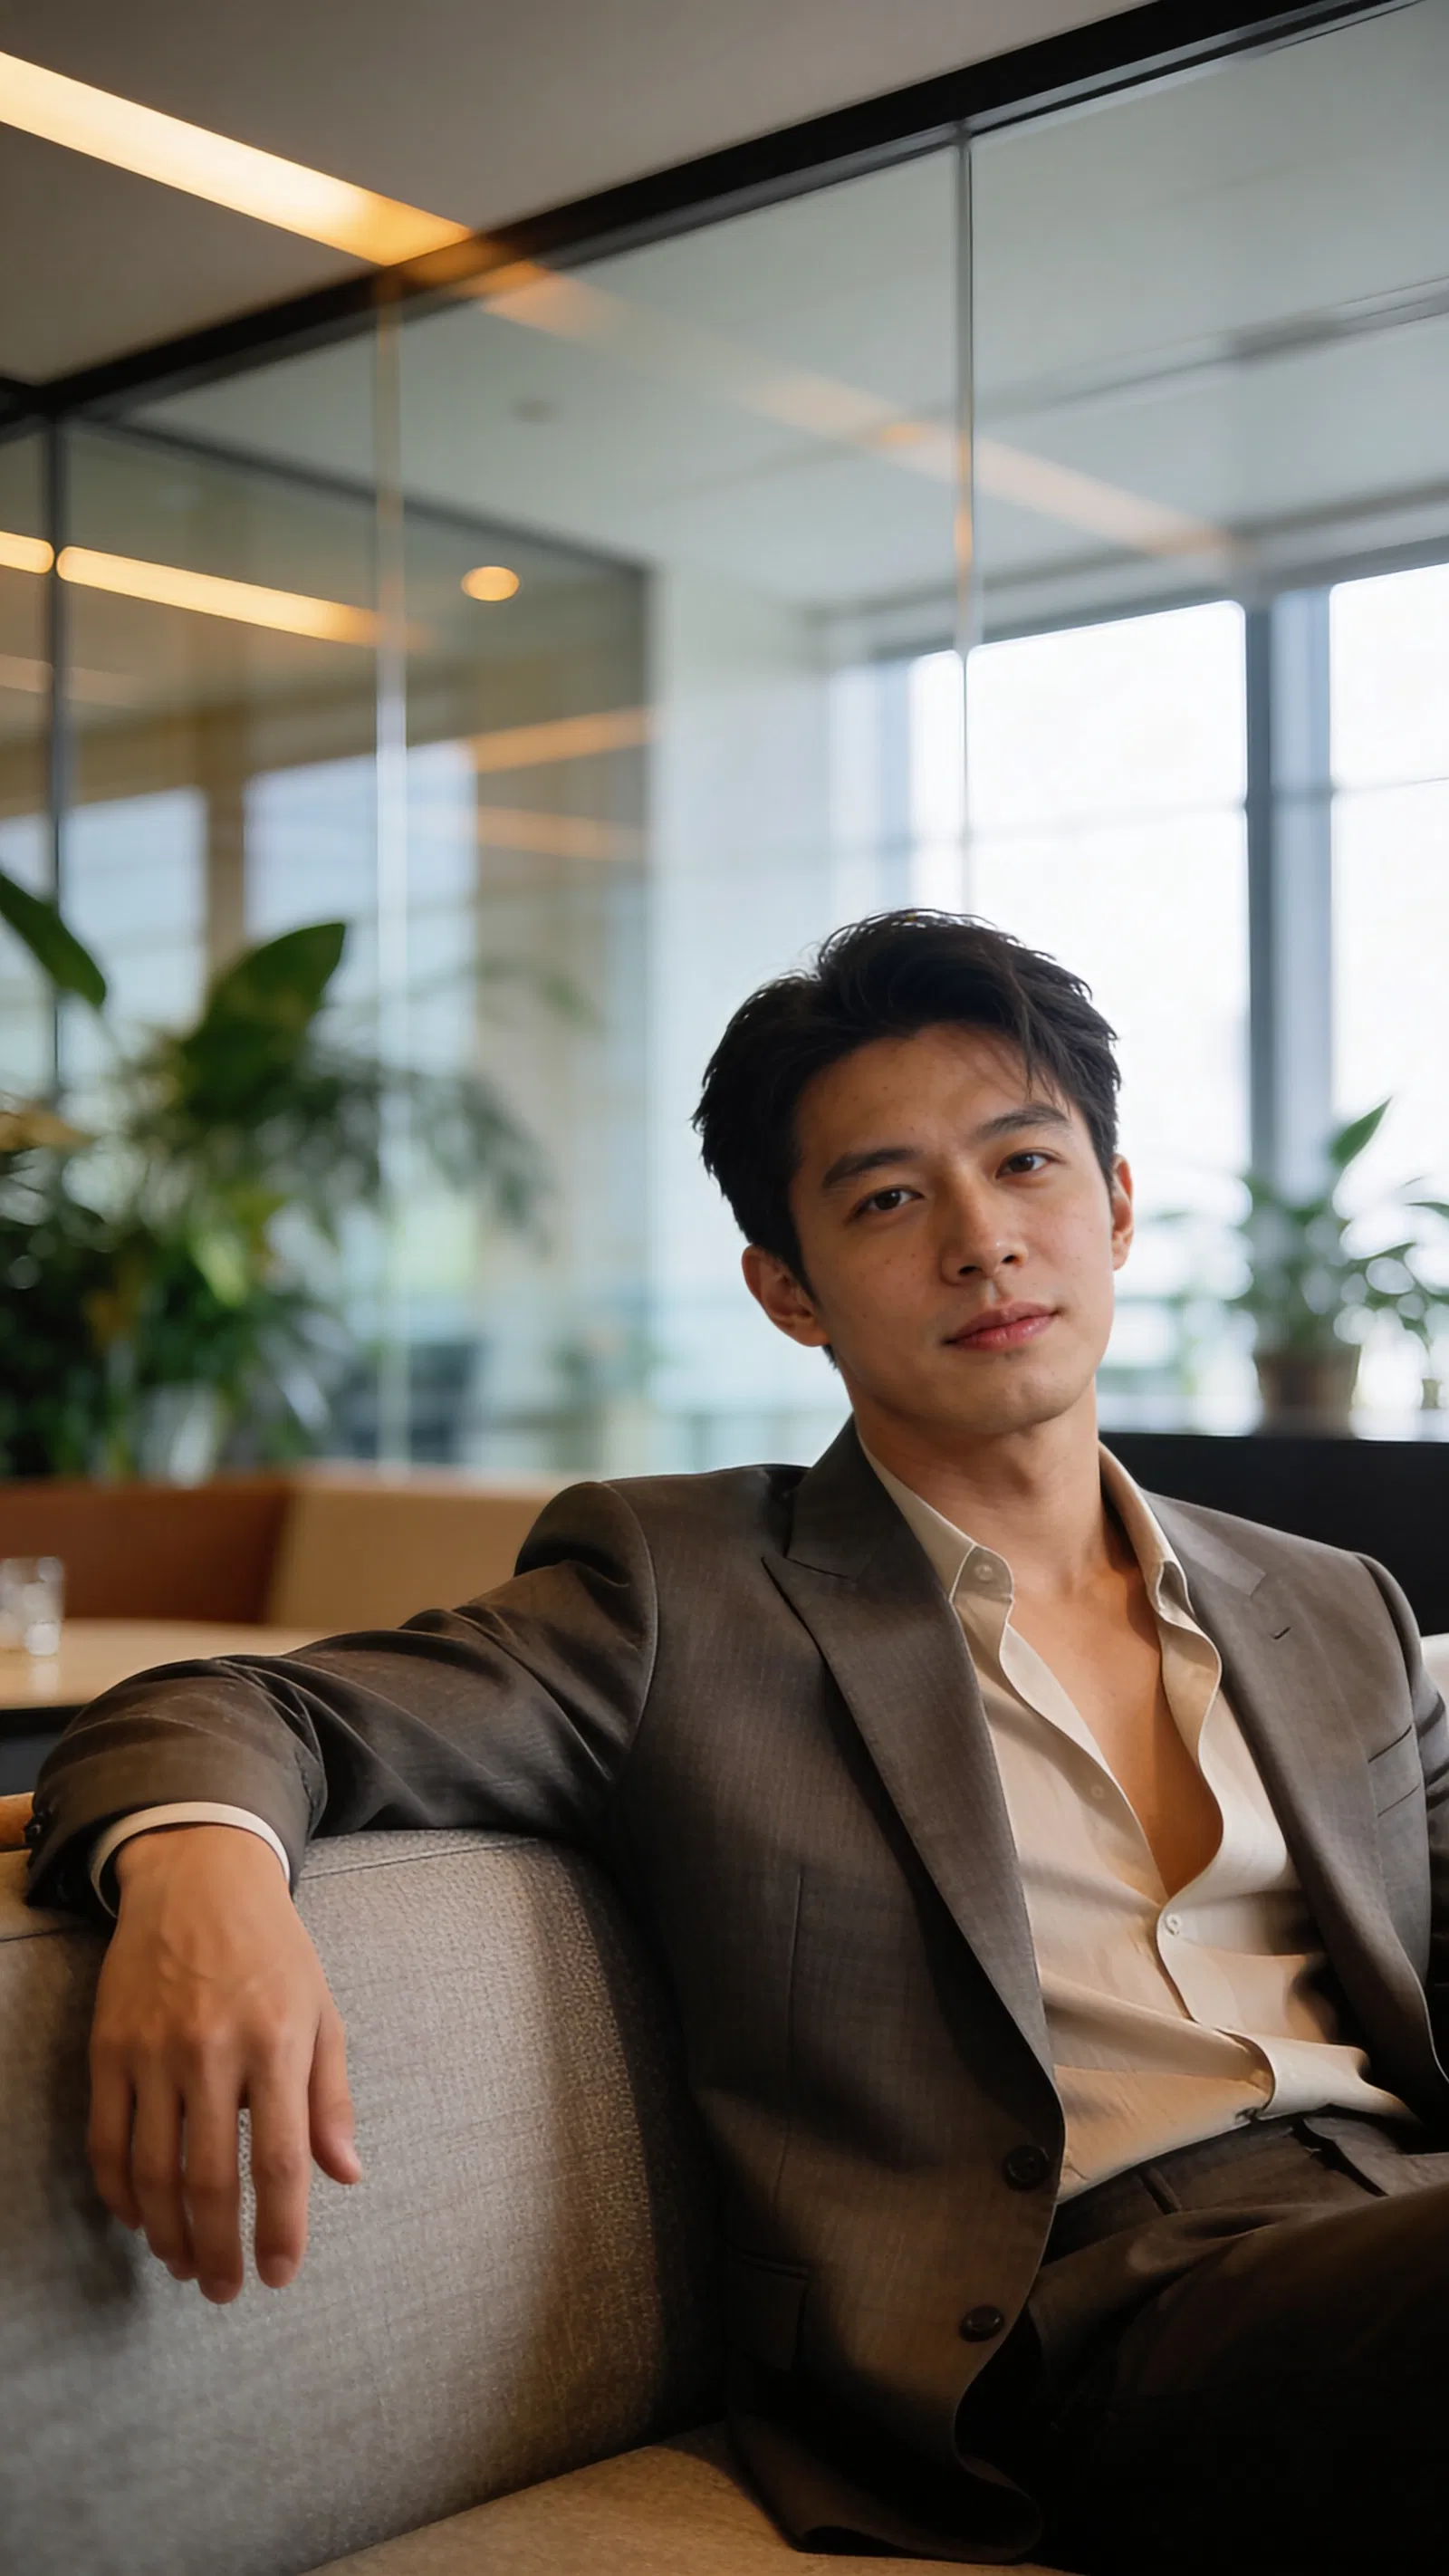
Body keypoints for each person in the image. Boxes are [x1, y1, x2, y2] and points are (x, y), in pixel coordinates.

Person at [17, 910, 1449, 2575]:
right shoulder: (681, 1594)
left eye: (1026, 1164)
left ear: (1116, 1205)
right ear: (789, 1291)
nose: (983, 1242)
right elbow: (227, 1706)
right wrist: (200, 1878)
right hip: (1084, 2321)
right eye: (889, 1199)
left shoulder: (1328, 1603)